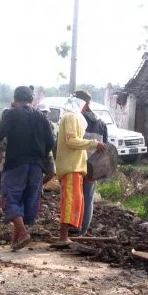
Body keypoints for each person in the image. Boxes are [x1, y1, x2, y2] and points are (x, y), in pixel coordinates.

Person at [0, 86, 55, 251]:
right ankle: (16, 239)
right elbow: (50, 142)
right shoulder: (42, 117)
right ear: (31, 100)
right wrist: (40, 154)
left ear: (15, 99)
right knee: (28, 199)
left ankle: (24, 233)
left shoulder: (11, 114)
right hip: (36, 166)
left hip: (16, 163)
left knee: (11, 196)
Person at [55, 95, 107, 246]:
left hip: (77, 166)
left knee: (75, 200)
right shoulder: (71, 116)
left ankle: (66, 235)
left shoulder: (73, 117)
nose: (86, 108)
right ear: (81, 104)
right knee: (70, 201)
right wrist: (94, 143)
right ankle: (63, 236)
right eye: (85, 105)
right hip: (71, 166)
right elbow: (71, 141)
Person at [70, 90, 108, 236]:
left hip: (76, 164)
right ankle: (82, 231)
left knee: (75, 196)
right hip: (93, 165)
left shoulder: (75, 119)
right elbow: (105, 147)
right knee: (88, 198)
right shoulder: (101, 122)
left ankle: (74, 228)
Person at [37, 102, 56, 185]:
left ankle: (39, 185)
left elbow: (53, 139)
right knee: (37, 173)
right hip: (36, 152)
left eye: (45, 112)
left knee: (51, 172)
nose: (44, 114)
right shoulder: (33, 124)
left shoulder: (50, 124)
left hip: (47, 152)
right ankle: (38, 189)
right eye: (42, 112)